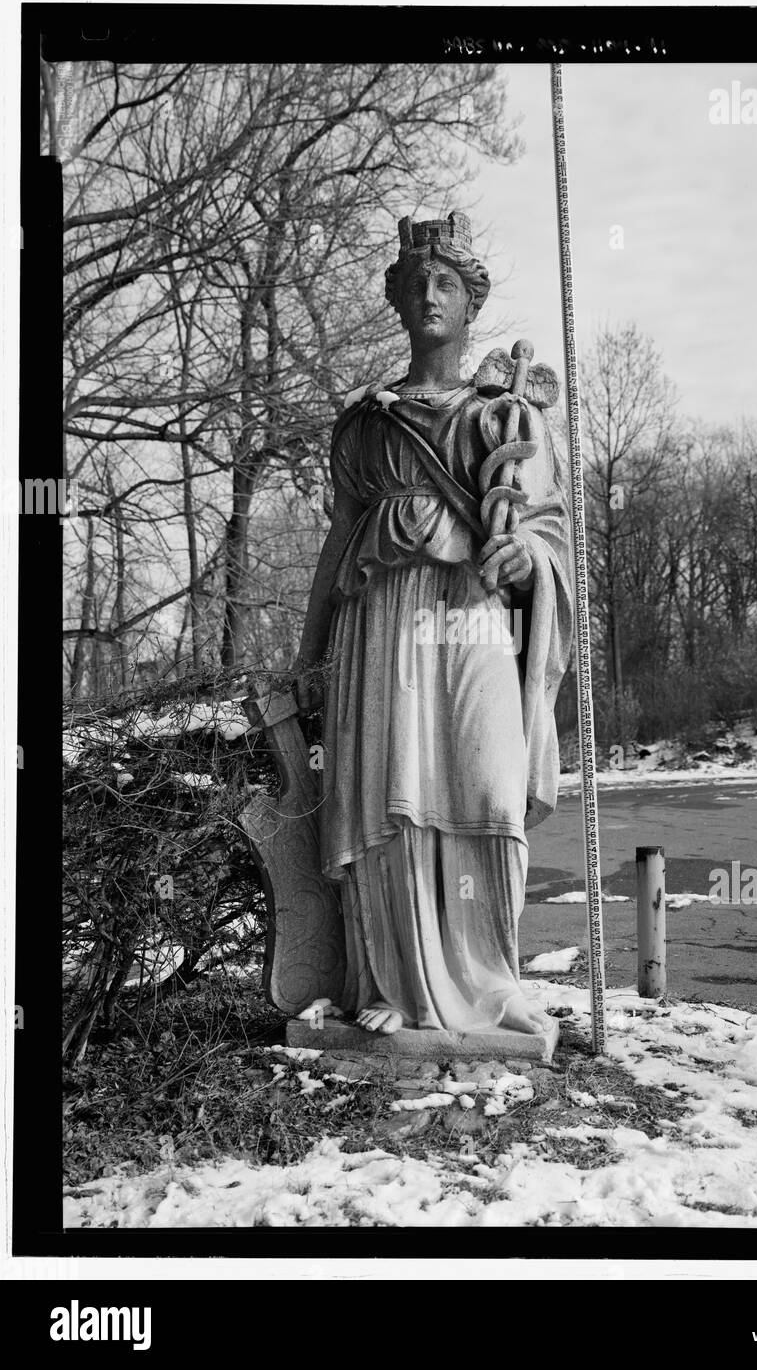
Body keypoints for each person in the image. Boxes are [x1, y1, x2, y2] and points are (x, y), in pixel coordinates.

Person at [295, 210, 572, 1035]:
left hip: (471, 615)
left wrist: (527, 558)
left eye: (445, 282)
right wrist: (310, 650)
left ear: (471, 301)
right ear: (395, 302)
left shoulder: (503, 419)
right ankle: (388, 984)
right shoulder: (366, 423)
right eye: (413, 283)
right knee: (392, 793)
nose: (428, 295)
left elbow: (548, 526)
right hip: (379, 620)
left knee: (485, 783)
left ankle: (490, 982)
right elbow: (339, 540)